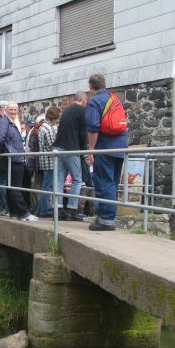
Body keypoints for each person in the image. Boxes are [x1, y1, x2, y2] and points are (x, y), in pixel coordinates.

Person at [86, 73, 129, 231]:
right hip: (121, 146)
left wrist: (91, 150)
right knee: (113, 183)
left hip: (105, 147)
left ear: (90, 86)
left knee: (104, 183)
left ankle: (105, 220)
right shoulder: (114, 98)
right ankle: (109, 216)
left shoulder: (94, 101)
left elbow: (93, 127)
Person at [0, 102, 38, 221]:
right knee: (16, 186)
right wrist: (1, 150)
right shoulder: (4, 122)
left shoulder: (12, 122)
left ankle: (13, 212)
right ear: (6, 110)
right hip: (13, 157)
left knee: (11, 186)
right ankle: (23, 213)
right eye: (11, 110)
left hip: (15, 157)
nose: (13, 112)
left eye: (15, 110)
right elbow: (0, 139)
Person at [53, 91, 88, 222]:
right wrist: (85, 153)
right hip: (71, 148)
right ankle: (72, 210)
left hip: (58, 148)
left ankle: (58, 209)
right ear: (84, 101)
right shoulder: (82, 111)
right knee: (77, 180)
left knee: (59, 179)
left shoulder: (66, 110)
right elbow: (83, 134)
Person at [37, 106, 61, 217]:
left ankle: (40, 209)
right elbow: (52, 145)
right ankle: (44, 210)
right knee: (48, 186)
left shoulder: (42, 126)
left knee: (46, 185)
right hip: (50, 160)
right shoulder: (48, 128)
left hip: (44, 159)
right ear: (54, 117)